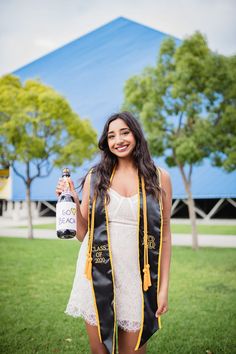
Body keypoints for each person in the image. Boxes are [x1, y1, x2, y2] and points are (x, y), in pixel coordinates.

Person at [56, 111, 172, 354]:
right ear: (106, 142)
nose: (118, 140)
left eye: (124, 132)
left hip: (137, 277)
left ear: (136, 135)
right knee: (101, 351)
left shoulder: (159, 178)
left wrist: (162, 290)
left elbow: (165, 236)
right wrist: (73, 202)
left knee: (135, 351)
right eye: (111, 135)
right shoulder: (96, 177)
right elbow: (82, 233)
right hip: (97, 271)